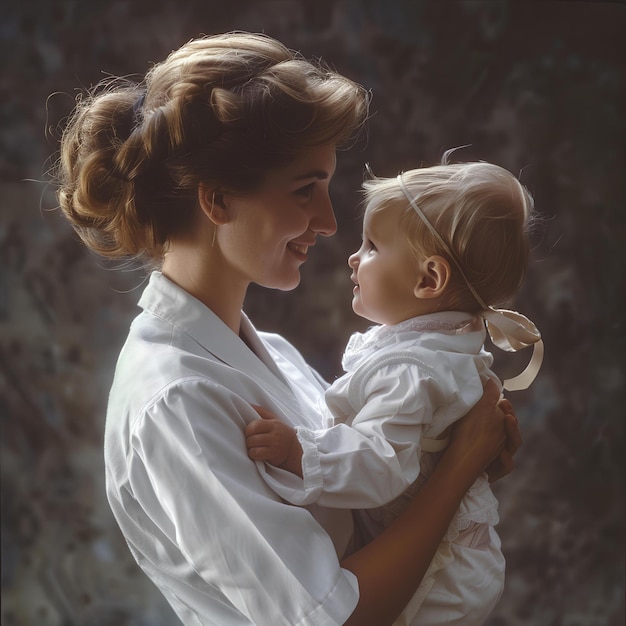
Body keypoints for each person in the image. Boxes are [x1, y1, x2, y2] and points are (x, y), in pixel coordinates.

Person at [54, 32, 521, 626]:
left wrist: (449, 448)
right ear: (218, 200)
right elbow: (336, 618)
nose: (328, 223)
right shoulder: (176, 403)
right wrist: (455, 473)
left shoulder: (270, 353)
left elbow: (365, 489)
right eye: (305, 190)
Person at [245, 157, 543, 625]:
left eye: (371, 246)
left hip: (443, 578)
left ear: (429, 280)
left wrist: (299, 453)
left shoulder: (411, 368)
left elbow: (380, 463)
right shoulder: (440, 348)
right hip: (458, 559)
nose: (352, 257)